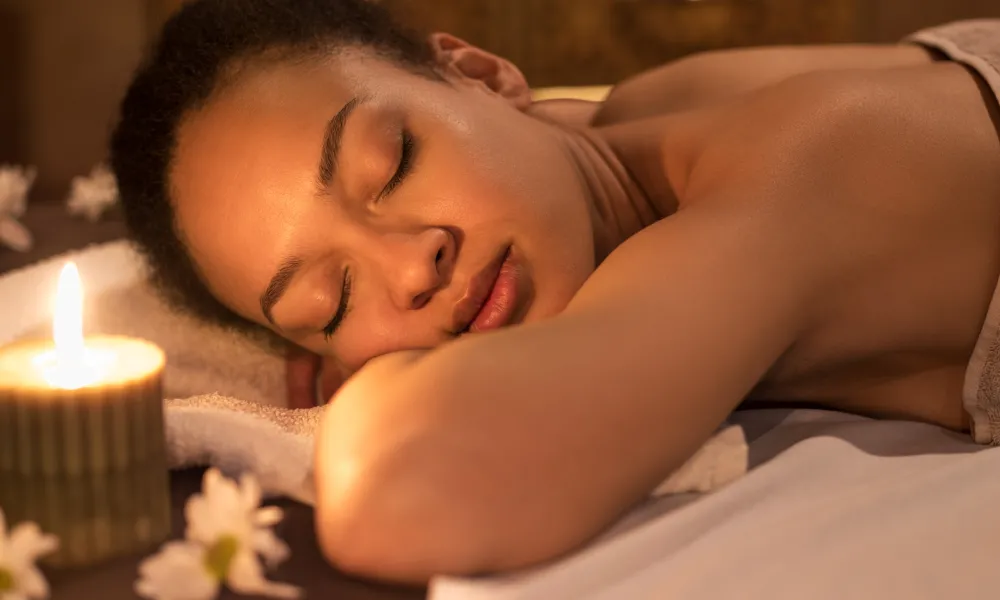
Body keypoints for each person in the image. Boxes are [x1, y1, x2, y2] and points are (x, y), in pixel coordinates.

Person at [110, 0, 1000, 584]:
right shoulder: (652, 111)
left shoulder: (798, 169)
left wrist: (377, 381)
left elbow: (410, 494)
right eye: (331, 303)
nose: (413, 267)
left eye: (398, 165)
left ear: (489, 77)